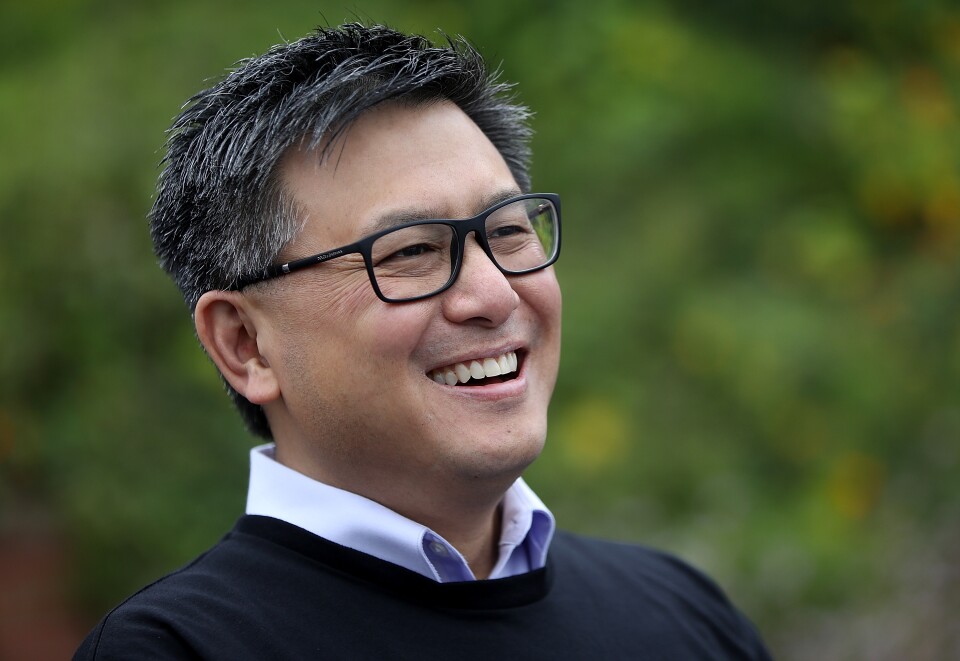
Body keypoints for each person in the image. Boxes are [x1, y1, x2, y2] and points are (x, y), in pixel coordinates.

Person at [75, 22, 770, 659]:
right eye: (412, 250)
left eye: (508, 231)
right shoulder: (177, 650)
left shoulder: (681, 615)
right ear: (245, 343)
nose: (495, 294)